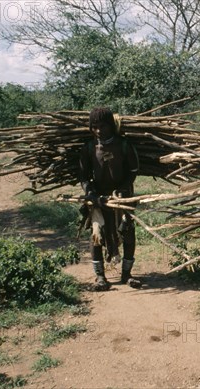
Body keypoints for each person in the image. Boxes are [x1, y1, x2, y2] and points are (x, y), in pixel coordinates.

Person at [79, 107, 141, 291]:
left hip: (122, 197)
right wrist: (90, 191)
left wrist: (123, 189)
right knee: (96, 236)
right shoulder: (89, 148)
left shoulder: (123, 145)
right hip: (98, 198)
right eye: (95, 126)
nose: (99, 131)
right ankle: (100, 277)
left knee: (127, 232)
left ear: (111, 126)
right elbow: (83, 175)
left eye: (103, 126)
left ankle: (127, 274)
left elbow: (133, 170)